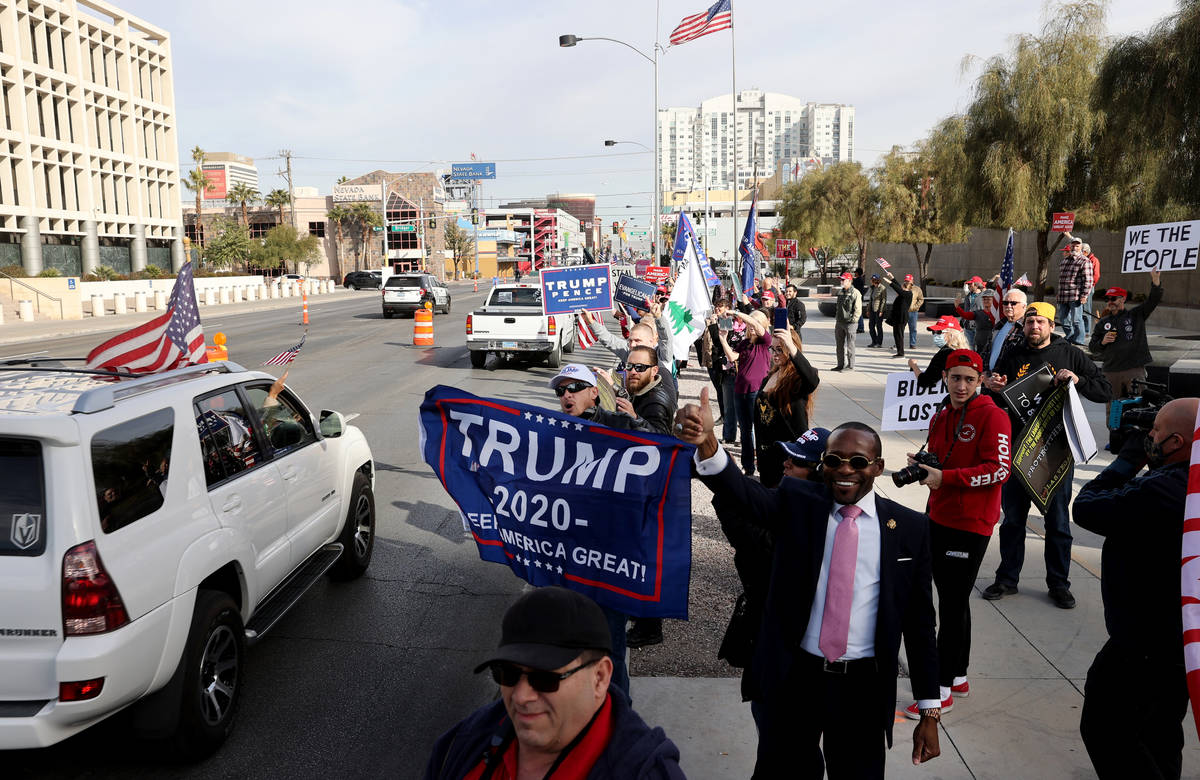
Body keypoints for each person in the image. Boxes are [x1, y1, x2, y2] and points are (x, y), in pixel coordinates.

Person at [673, 408, 942, 778]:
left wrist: (930, 709)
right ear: (823, 466)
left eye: (858, 461)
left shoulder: (909, 528)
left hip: (862, 687)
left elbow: (920, 624)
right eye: (834, 460)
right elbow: (745, 494)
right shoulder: (799, 503)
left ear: (878, 467)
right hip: (796, 678)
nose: (845, 470)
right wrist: (708, 444)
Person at [423, 586, 685, 780]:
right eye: (508, 674)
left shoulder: (648, 773)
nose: (522, 696)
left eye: (545, 679)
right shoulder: (464, 741)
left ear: (600, 678)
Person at [1074, 397, 1198, 780]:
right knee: (1161, 733)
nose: (1150, 436)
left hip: (1144, 646)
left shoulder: (1164, 490)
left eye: (1156, 430)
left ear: (1176, 443)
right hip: (1181, 644)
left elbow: (1087, 508)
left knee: (1107, 729)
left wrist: (1128, 460)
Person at [900, 350, 1011, 718]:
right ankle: (958, 677)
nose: (961, 385)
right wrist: (924, 467)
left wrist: (946, 478)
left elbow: (999, 471)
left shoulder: (993, 415)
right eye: (955, 377)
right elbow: (942, 460)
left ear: (980, 380)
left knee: (949, 604)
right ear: (945, 377)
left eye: (969, 378)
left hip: (970, 524)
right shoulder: (942, 414)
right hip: (939, 516)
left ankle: (941, 689)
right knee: (954, 600)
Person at [982, 302, 1112, 609]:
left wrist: (1078, 380)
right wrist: (991, 387)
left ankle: (1059, 583)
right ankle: (1007, 579)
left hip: (1054, 452)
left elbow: (1105, 391)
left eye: (1040, 321)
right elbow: (996, 398)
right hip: (1018, 450)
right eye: (1030, 322)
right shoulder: (1012, 355)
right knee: (1013, 520)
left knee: (1057, 523)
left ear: (1051, 325)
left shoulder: (1070, 354)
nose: (1034, 326)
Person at [549, 363, 656, 694]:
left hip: (611, 559)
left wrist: (638, 423)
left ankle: (619, 720)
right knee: (571, 644)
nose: (566, 395)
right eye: (561, 390)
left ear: (594, 393)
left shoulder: (619, 424)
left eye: (574, 388)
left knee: (609, 647)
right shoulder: (551, 431)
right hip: (571, 555)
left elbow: (660, 454)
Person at [714, 427, 830, 728]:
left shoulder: (816, 524)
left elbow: (755, 547)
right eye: (788, 456)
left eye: (797, 461)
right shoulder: (784, 502)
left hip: (792, 657)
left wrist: (728, 495)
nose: (786, 464)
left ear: (820, 473)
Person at [620, 343, 677, 650]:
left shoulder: (654, 402)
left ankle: (649, 627)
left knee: (646, 561)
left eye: (639, 368)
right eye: (629, 366)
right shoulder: (642, 389)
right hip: (643, 490)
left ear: (654, 371)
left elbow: (663, 440)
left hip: (653, 495)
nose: (632, 372)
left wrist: (634, 419)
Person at [1088, 270, 1163, 419]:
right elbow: (1092, 347)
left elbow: (1153, 301)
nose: (1110, 302)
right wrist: (1102, 342)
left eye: (1113, 298)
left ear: (1123, 299)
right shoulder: (1103, 322)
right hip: (1111, 371)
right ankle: (1115, 438)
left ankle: (1136, 436)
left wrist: (1156, 281)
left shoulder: (1136, 315)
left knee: (1139, 404)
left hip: (1133, 369)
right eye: (1108, 299)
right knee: (1112, 407)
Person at [752, 326, 820, 489]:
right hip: (767, 454)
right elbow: (761, 421)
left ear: (790, 348)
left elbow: (812, 380)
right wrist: (759, 454)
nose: (775, 354)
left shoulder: (797, 379)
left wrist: (792, 347)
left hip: (788, 454)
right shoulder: (771, 375)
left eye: (780, 349)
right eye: (772, 349)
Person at [717, 309, 773, 476]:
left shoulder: (765, 341)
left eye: (753, 323)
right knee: (746, 431)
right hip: (740, 390)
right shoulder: (746, 342)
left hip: (757, 392)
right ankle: (748, 466)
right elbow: (733, 357)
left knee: (762, 430)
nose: (750, 326)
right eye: (749, 323)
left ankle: (764, 466)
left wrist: (736, 313)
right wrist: (722, 338)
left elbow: (756, 323)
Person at [907, 316, 968, 389]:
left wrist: (914, 365)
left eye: (939, 332)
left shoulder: (945, 354)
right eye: (934, 332)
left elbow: (925, 381)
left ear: (952, 333)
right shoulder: (965, 352)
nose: (935, 335)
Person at [1057, 237, 1092, 345]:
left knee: (1077, 320)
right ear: (1070, 246)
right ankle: (1070, 336)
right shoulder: (1065, 261)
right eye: (1073, 245)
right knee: (1063, 319)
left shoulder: (1085, 261)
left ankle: (1079, 342)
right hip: (1063, 296)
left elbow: (1088, 280)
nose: (1075, 247)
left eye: (1077, 246)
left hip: (1075, 296)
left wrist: (1084, 295)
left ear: (1081, 247)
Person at [986, 288, 1027, 372]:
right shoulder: (999, 324)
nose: (1008, 306)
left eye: (1013, 303)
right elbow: (986, 351)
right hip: (988, 378)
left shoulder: (1026, 328)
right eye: (1005, 303)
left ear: (1024, 306)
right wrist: (984, 374)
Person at [954, 276, 992, 353]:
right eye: (968, 285)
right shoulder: (968, 296)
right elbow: (966, 310)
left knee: (980, 347)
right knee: (969, 347)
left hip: (979, 326)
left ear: (976, 285)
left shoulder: (984, 296)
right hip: (968, 326)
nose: (968, 286)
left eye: (970, 284)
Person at [833, 272, 861, 372]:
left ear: (849, 281)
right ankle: (840, 364)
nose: (841, 281)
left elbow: (858, 309)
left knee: (850, 345)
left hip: (850, 323)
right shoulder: (841, 292)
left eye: (843, 280)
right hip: (840, 322)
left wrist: (853, 320)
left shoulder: (855, 293)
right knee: (839, 345)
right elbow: (838, 307)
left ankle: (850, 366)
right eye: (841, 279)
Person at [882, 270, 914, 358]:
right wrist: (892, 277)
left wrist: (889, 282)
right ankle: (899, 352)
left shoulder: (907, 294)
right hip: (897, 317)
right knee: (897, 334)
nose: (901, 288)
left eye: (902, 287)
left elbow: (898, 289)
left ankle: (901, 353)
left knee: (899, 335)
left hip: (901, 318)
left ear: (905, 288)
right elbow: (898, 286)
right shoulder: (903, 292)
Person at [866, 274, 887, 348]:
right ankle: (874, 341)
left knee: (878, 326)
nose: (872, 281)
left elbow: (883, 300)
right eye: (872, 279)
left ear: (877, 280)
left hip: (878, 310)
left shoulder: (882, 288)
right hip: (872, 309)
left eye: (873, 279)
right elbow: (871, 300)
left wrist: (881, 310)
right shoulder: (872, 288)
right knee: (871, 326)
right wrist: (868, 310)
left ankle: (879, 343)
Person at [907, 277, 924, 349]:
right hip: (904, 312)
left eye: (908, 280)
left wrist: (915, 307)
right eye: (906, 280)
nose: (907, 282)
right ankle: (899, 343)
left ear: (912, 280)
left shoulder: (917, 289)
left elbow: (921, 299)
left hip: (913, 312)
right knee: (900, 328)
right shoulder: (903, 287)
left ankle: (912, 344)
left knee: (913, 328)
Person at [852, 266, 867, 333]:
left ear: (858, 273)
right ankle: (859, 327)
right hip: (859, 298)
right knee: (857, 312)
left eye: (855, 272)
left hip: (857, 298)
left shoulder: (858, 280)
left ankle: (860, 327)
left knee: (858, 313)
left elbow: (853, 285)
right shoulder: (860, 279)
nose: (855, 273)